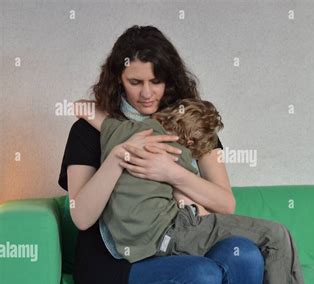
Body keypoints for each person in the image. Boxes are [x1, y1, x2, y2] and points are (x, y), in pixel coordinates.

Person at [59, 25, 264, 284]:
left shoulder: (192, 126)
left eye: (156, 81)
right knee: (201, 276)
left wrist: (171, 173)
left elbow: (224, 202)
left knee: (245, 255)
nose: (146, 93)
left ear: (169, 80)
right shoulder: (89, 132)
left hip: (180, 244)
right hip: (115, 267)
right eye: (135, 82)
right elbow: (81, 217)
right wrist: (119, 157)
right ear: (118, 79)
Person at [75, 97, 224, 262]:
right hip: (163, 239)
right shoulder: (180, 154)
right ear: (190, 141)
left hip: (126, 244)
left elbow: (80, 106)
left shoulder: (131, 131)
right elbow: (199, 211)